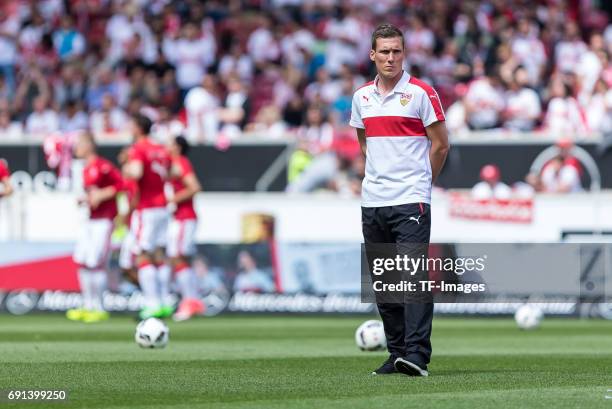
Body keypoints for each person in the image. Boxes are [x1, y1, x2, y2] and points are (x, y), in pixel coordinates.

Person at [350, 24, 449, 377]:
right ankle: (397, 354)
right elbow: (365, 144)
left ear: (404, 53)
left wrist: (422, 183)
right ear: (372, 55)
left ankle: (418, 355)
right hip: (373, 200)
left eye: (397, 51)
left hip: (411, 201)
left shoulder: (422, 93)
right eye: (385, 51)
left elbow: (441, 144)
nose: (391, 57)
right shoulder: (361, 97)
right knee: (386, 284)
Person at [68, 132, 122, 323]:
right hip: (90, 219)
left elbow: (122, 184)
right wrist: (87, 199)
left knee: (96, 262)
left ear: (89, 145)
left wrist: (101, 194)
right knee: (82, 260)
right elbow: (93, 194)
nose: (76, 148)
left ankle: (99, 307)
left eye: (79, 144)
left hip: (104, 220)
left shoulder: (103, 165)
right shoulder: (85, 168)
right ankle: (88, 304)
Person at [123, 113, 173, 319]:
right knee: (159, 255)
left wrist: (126, 167)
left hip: (146, 207)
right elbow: (171, 172)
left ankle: (152, 303)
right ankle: (164, 301)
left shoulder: (138, 148)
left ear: (137, 128)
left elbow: (136, 172)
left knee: (143, 255)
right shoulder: (161, 148)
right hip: (163, 206)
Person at [166, 135, 205, 321]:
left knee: (178, 257)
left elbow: (195, 187)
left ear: (178, 147)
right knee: (179, 259)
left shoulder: (180, 162)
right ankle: (192, 300)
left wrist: (173, 199)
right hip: (180, 217)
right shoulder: (173, 163)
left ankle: (190, 302)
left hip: (184, 217)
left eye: (170, 143)